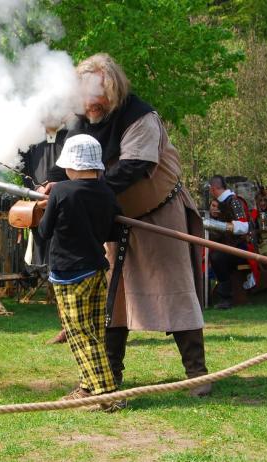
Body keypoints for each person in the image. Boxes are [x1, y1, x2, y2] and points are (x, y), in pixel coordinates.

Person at [65, 53, 210, 397]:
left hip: (159, 214)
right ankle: (109, 377)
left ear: (112, 89)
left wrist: (86, 194)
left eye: (96, 94)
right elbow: (67, 161)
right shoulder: (81, 118)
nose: (90, 103)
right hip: (115, 218)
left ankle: (197, 375)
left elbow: (133, 167)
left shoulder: (140, 117)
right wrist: (55, 185)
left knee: (176, 292)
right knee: (112, 300)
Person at [36, 134, 123, 411]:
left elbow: (44, 231)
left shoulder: (61, 191)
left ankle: (107, 395)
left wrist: (42, 208)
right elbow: (113, 232)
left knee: (79, 335)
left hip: (68, 274)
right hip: (97, 270)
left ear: (71, 165)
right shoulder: (107, 192)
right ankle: (88, 387)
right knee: (94, 333)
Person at [20, 125, 69, 344]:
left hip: (69, 207)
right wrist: (35, 190)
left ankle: (74, 327)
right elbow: (24, 171)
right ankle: (65, 327)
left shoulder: (73, 134)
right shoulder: (30, 138)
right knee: (52, 268)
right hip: (41, 207)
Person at [204, 175, 253, 308]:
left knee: (218, 257)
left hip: (241, 248)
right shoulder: (219, 202)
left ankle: (226, 298)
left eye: (210, 189)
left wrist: (218, 225)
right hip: (228, 246)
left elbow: (244, 227)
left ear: (213, 189)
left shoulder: (234, 201)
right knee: (213, 255)